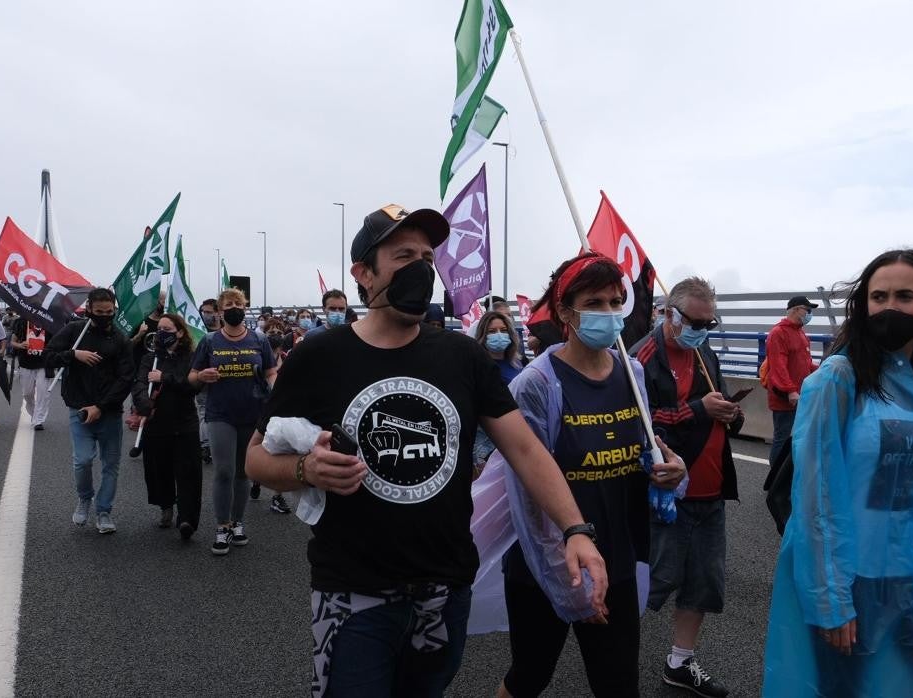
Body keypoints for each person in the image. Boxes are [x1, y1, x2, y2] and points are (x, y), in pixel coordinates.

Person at [243, 203, 608, 698]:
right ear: (363, 273)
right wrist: (307, 468)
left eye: (427, 256)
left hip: (444, 591)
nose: (422, 268)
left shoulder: (462, 355)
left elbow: (524, 448)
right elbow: (256, 458)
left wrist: (575, 530)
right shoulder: (320, 355)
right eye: (403, 255)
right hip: (352, 593)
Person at [762, 249, 913, 697]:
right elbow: (817, 497)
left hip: (912, 577)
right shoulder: (838, 379)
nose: (889, 307)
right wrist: (830, 598)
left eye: (904, 296)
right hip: (854, 580)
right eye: (878, 296)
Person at [496, 252, 687, 698]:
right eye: (595, 303)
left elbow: (648, 448)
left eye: (616, 302)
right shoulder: (537, 385)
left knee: (619, 684)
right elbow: (525, 493)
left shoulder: (633, 371)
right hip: (548, 564)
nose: (609, 313)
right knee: (529, 676)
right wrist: (564, 585)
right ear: (564, 312)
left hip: (614, 558)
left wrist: (672, 471)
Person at [631, 276, 739, 697]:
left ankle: (680, 662)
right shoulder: (643, 356)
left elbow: (717, 402)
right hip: (666, 496)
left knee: (703, 582)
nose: (701, 329)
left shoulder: (702, 348)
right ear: (669, 314)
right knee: (651, 582)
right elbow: (639, 421)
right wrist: (698, 408)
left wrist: (730, 413)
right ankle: (604, 651)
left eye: (710, 323)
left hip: (710, 489)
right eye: (695, 321)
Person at [188, 287, 277, 556]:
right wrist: (202, 376)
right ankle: (221, 526)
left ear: (245, 306)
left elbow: (272, 373)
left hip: (252, 413)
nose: (234, 307)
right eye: (228, 304)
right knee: (224, 470)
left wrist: (278, 393)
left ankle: (238, 523)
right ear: (219, 310)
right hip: (220, 414)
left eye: (239, 303)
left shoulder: (260, 340)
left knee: (243, 472)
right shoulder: (209, 341)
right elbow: (191, 377)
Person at [44, 288, 136, 534]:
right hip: (79, 408)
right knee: (83, 460)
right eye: (99, 312)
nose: (105, 316)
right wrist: (73, 354)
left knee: (110, 464)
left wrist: (101, 406)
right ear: (89, 310)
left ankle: (104, 510)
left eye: (109, 312)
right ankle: (85, 498)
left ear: (115, 310)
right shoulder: (75, 331)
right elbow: (48, 356)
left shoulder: (121, 339)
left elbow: (126, 378)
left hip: (109, 411)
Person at [132, 313, 203, 538]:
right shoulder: (150, 358)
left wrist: (165, 378)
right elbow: (140, 384)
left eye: (168, 329)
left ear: (180, 332)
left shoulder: (191, 358)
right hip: (157, 423)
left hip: (185, 423)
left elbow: (193, 386)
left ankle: (187, 518)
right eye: (159, 329)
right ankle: (166, 506)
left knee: (188, 473)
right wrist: (144, 405)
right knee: (159, 470)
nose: (162, 333)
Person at [766, 295, 817, 467]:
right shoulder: (778, 333)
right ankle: (774, 481)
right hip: (785, 395)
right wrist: (790, 390)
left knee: (795, 437)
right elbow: (778, 365)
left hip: (799, 394)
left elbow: (806, 363)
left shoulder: (801, 334)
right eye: (807, 310)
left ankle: (786, 477)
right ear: (795, 309)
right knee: (782, 437)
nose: (810, 314)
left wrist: (823, 370)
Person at [9, 315, 53, 430]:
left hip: (44, 363)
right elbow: (12, 342)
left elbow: (57, 341)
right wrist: (20, 345)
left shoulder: (49, 321)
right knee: (27, 394)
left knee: (43, 392)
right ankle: (34, 414)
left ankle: (38, 420)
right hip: (26, 363)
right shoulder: (21, 322)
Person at [196, 298, 220, 466]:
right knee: (204, 412)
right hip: (204, 378)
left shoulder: (227, 331)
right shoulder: (197, 330)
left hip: (224, 381)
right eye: (203, 312)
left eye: (209, 312)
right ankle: (205, 445)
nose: (205, 315)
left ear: (218, 313)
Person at [474, 310, 524, 384]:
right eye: (492, 331)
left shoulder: (516, 363)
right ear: (483, 336)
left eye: (503, 330)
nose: (499, 335)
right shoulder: (478, 367)